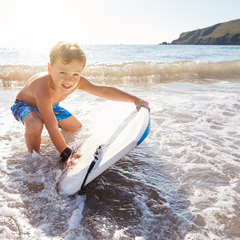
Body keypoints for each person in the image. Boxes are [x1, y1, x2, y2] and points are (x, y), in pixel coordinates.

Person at [11, 42, 149, 168]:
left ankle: (55, 143)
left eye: (75, 74)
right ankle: (34, 158)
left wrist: (135, 100)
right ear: (49, 68)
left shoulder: (78, 82)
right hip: (24, 105)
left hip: (50, 105)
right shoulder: (42, 86)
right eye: (62, 72)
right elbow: (51, 124)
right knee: (35, 123)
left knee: (76, 127)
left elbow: (103, 90)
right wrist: (66, 153)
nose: (69, 80)